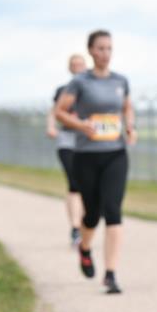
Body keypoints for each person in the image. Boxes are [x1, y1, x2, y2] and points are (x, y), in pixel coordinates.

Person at [54, 30, 136, 294]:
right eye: (100, 48)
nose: (105, 53)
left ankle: (110, 274)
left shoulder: (121, 80)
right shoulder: (80, 82)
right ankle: (85, 247)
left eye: (109, 48)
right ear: (90, 51)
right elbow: (60, 113)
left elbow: (127, 107)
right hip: (86, 156)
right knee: (92, 214)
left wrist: (130, 127)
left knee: (113, 211)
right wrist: (81, 125)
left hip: (115, 153)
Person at [47, 54, 87, 246]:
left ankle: (86, 223)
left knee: (88, 186)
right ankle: (75, 227)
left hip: (87, 142)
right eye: (74, 65)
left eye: (81, 64)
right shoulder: (63, 90)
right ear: (70, 68)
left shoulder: (92, 88)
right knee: (74, 183)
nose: (78, 67)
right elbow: (54, 111)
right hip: (67, 140)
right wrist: (51, 126)